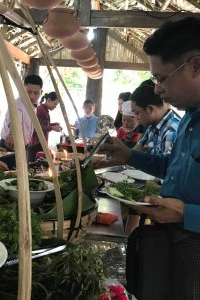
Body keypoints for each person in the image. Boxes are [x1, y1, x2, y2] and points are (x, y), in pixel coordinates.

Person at [92, 17, 200, 299]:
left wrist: (186, 213)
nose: (157, 89)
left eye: (161, 78)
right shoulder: (190, 116)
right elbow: (171, 168)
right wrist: (129, 156)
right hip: (171, 239)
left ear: (196, 66)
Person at [131, 79, 181, 155]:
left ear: (150, 109)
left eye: (137, 113)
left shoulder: (171, 132)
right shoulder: (152, 127)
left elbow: (165, 166)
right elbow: (136, 151)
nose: (135, 117)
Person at [0, 74, 43, 151]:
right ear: (22, 90)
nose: (32, 96)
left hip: (22, 146)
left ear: (41, 92)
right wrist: (12, 134)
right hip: (9, 145)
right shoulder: (18, 105)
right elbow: (16, 122)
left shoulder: (35, 105)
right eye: (29, 92)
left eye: (36, 93)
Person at [28, 92, 61, 162]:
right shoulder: (41, 109)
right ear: (48, 100)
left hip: (40, 142)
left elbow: (44, 124)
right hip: (36, 142)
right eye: (55, 104)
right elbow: (39, 127)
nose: (55, 106)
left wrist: (53, 124)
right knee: (35, 164)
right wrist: (53, 128)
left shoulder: (44, 109)